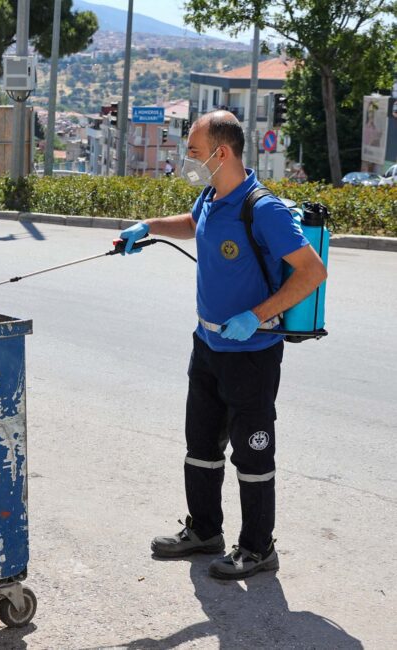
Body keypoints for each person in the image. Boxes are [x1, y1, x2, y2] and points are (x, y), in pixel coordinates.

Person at [117, 110, 326, 580]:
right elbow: (192, 224)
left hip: (251, 354)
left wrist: (256, 316)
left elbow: (313, 272)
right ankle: (205, 530)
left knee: (252, 453)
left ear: (221, 152)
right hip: (207, 344)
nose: (186, 160)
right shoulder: (211, 196)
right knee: (200, 445)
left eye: (192, 152)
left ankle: (257, 547)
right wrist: (146, 226)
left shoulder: (263, 208)